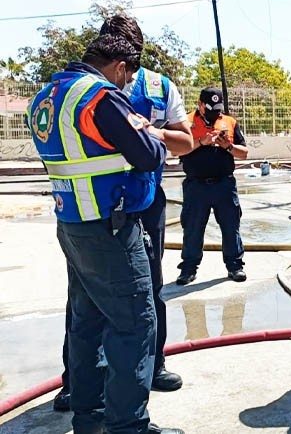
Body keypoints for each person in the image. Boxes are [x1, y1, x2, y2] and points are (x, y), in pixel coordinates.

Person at [27, 33, 183, 434]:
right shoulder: (99, 96)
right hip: (109, 225)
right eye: (127, 76)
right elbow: (148, 153)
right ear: (119, 67)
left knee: (86, 321)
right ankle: (127, 425)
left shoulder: (47, 96)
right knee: (135, 322)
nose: (126, 84)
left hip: (72, 224)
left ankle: (89, 414)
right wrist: (155, 137)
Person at [176, 87, 249, 285]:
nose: (214, 113)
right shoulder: (186, 122)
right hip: (196, 186)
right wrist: (202, 141)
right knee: (192, 227)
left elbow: (244, 153)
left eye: (217, 110)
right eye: (209, 109)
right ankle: (188, 269)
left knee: (231, 225)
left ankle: (235, 266)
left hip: (224, 185)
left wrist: (228, 146)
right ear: (200, 104)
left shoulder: (229, 122)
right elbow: (176, 150)